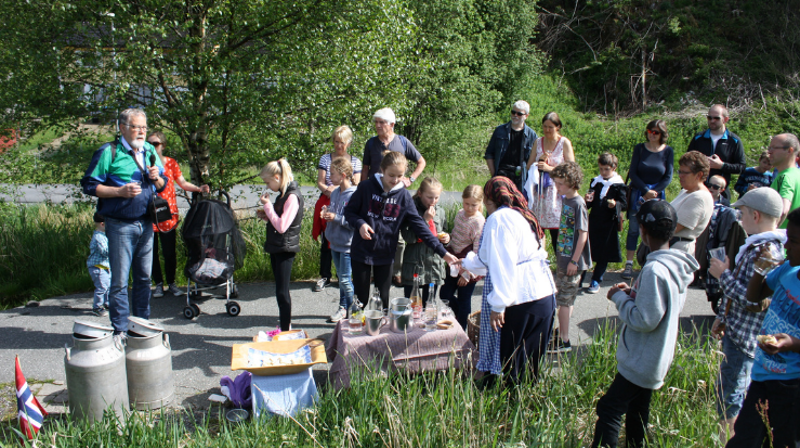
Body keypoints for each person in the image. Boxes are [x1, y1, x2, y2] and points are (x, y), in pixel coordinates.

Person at [591, 200, 699, 448]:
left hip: (642, 358)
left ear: (642, 230)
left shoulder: (654, 270)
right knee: (638, 410)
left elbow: (645, 319)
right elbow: (663, 306)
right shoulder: (676, 266)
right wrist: (634, 294)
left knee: (609, 409)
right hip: (656, 356)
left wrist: (619, 297)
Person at [460, 176, 556, 385]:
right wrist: (465, 263)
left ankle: (507, 409)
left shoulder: (499, 219)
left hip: (522, 298)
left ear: (488, 198)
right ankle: (526, 406)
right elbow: (488, 259)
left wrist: (498, 304)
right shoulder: (522, 214)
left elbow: (503, 263)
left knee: (511, 363)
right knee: (530, 363)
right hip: (542, 293)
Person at [707, 187, 785, 442]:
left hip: (745, 339)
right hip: (737, 330)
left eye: (742, 213)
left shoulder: (766, 252)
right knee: (728, 391)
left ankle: (728, 441)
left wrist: (723, 276)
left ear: (756, 215)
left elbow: (757, 301)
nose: (739, 218)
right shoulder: (757, 247)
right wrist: (724, 316)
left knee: (731, 396)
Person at [80, 108, 167, 336]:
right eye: (136, 127)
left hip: (146, 223)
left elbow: (163, 185)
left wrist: (156, 177)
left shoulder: (149, 150)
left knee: (143, 278)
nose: (141, 132)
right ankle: (120, 330)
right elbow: (89, 185)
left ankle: (140, 327)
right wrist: (120, 191)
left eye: (144, 127)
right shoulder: (108, 152)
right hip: (119, 224)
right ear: (122, 128)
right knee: (119, 282)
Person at [344, 151, 457, 309]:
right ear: (382, 170)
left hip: (385, 254)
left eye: (400, 175)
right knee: (360, 299)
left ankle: (379, 331)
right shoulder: (366, 187)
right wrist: (360, 223)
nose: (395, 180)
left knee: (383, 301)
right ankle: (356, 330)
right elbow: (349, 212)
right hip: (361, 252)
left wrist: (444, 253)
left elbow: (421, 228)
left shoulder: (403, 197)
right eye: (391, 175)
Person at [727, 207, 800, 448]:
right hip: (762, 374)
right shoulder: (788, 270)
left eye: (795, 241)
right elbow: (754, 295)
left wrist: (791, 343)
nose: (787, 245)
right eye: (787, 237)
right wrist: (760, 269)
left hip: (791, 385)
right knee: (744, 440)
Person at [359, 108, 426, 287]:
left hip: (396, 196)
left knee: (396, 237)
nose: (378, 125)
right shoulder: (371, 143)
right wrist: (361, 190)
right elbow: (365, 168)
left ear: (392, 124)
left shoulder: (402, 142)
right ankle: (373, 270)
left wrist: (410, 179)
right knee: (373, 231)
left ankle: (396, 272)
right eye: (376, 122)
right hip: (374, 195)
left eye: (382, 122)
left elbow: (421, 161)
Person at [146, 131, 210, 298]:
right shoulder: (142, 162)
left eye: (156, 144)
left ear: (163, 146)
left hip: (167, 213)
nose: (152, 147)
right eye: (149, 143)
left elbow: (182, 183)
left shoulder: (171, 163)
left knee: (169, 252)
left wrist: (198, 188)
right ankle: (158, 284)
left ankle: (172, 283)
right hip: (149, 213)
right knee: (151, 252)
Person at [256, 159, 304, 331]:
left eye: (268, 182)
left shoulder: (292, 197)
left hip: (285, 248)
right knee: (279, 291)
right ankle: (286, 326)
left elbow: (282, 226)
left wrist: (268, 206)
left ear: (277, 177)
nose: (267, 186)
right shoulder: (282, 196)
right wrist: (267, 214)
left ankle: (286, 329)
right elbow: (279, 219)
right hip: (277, 246)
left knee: (283, 293)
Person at [312, 125, 362, 293]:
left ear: (349, 142)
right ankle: (325, 275)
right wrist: (330, 190)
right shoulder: (326, 159)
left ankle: (345, 276)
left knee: (345, 234)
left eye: (342, 142)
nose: (338, 146)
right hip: (328, 197)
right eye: (336, 142)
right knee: (327, 237)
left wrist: (340, 190)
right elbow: (320, 181)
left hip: (347, 198)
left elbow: (357, 183)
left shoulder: (355, 161)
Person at [622, 119, 674, 280]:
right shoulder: (640, 148)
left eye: (656, 132)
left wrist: (654, 192)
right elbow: (633, 173)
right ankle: (629, 263)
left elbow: (668, 176)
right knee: (633, 230)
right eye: (650, 131)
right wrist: (645, 191)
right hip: (638, 193)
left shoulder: (668, 151)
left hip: (657, 196)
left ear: (662, 134)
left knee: (654, 229)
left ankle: (652, 263)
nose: (652, 134)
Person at [548, 161, 591, 354]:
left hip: (573, 261)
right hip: (565, 258)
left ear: (572, 182)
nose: (557, 187)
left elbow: (583, 234)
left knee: (563, 301)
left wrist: (574, 260)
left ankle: (564, 340)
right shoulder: (566, 199)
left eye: (560, 184)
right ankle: (562, 332)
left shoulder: (578, 203)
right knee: (567, 298)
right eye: (555, 183)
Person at [526, 112, 576, 254]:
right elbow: (529, 165)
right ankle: (539, 260)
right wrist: (540, 161)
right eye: (545, 127)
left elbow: (571, 168)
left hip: (557, 192)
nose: (547, 130)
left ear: (558, 127)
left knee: (557, 232)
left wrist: (551, 169)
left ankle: (561, 261)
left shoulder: (564, 143)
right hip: (540, 192)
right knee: (537, 231)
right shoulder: (538, 142)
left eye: (551, 127)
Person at [441, 185, 486, 329]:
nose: (469, 208)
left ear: (480, 203)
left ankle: (462, 329)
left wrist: (468, 274)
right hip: (455, 261)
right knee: (445, 293)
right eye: (467, 203)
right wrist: (448, 238)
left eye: (474, 205)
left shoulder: (478, 221)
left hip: (468, 265)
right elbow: (456, 235)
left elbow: (478, 249)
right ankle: (459, 313)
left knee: (464, 299)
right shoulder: (460, 214)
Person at [400, 177, 449, 306]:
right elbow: (408, 237)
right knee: (412, 305)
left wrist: (446, 238)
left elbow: (443, 230)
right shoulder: (411, 210)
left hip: (433, 266)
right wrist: (425, 220)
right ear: (420, 193)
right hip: (415, 265)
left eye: (436, 197)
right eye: (429, 197)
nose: (433, 201)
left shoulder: (440, 211)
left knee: (429, 304)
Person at [321, 157, 358, 323]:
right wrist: (326, 211)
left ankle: (354, 313)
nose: (329, 177)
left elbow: (354, 223)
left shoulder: (354, 195)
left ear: (343, 175)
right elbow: (334, 211)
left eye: (332, 174)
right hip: (335, 241)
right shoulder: (335, 192)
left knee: (345, 279)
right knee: (341, 279)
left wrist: (336, 217)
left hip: (348, 245)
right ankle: (343, 307)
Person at [585, 153, 627, 294]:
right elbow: (589, 203)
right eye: (601, 169)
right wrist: (588, 200)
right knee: (588, 249)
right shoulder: (595, 182)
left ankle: (596, 279)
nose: (603, 172)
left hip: (608, 223)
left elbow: (625, 204)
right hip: (594, 220)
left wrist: (615, 205)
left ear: (614, 167)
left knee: (603, 253)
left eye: (606, 169)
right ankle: (580, 277)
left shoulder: (618, 185)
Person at [687, 104, 746, 200]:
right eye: (709, 118)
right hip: (698, 189)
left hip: (720, 192)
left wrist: (722, 165)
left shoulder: (734, 141)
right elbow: (687, 161)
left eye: (716, 118)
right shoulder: (698, 138)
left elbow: (741, 167)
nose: (712, 121)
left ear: (725, 119)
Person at [484, 100, 538, 191]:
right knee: (501, 203)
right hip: (501, 173)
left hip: (520, 177)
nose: (515, 115)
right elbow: (489, 154)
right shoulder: (499, 131)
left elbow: (533, 160)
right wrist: (494, 175)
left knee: (518, 204)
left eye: (519, 114)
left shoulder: (531, 135)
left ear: (526, 116)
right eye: (513, 112)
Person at [669, 151, 714, 255]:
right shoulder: (686, 191)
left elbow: (672, 229)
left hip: (678, 251)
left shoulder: (700, 197)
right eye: (680, 171)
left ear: (699, 175)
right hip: (671, 248)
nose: (680, 176)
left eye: (685, 172)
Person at [768, 132, 800, 228]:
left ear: (789, 150)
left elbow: (783, 209)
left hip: (783, 237)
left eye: (774, 148)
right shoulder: (796, 174)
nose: (769, 152)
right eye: (770, 148)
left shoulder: (786, 177)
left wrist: (769, 232)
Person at [86, 213, 110, 317]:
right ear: (102, 224)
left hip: (104, 267)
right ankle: (97, 306)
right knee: (101, 287)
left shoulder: (104, 236)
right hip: (98, 267)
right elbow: (104, 251)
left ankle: (107, 303)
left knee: (108, 286)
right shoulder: (99, 237)